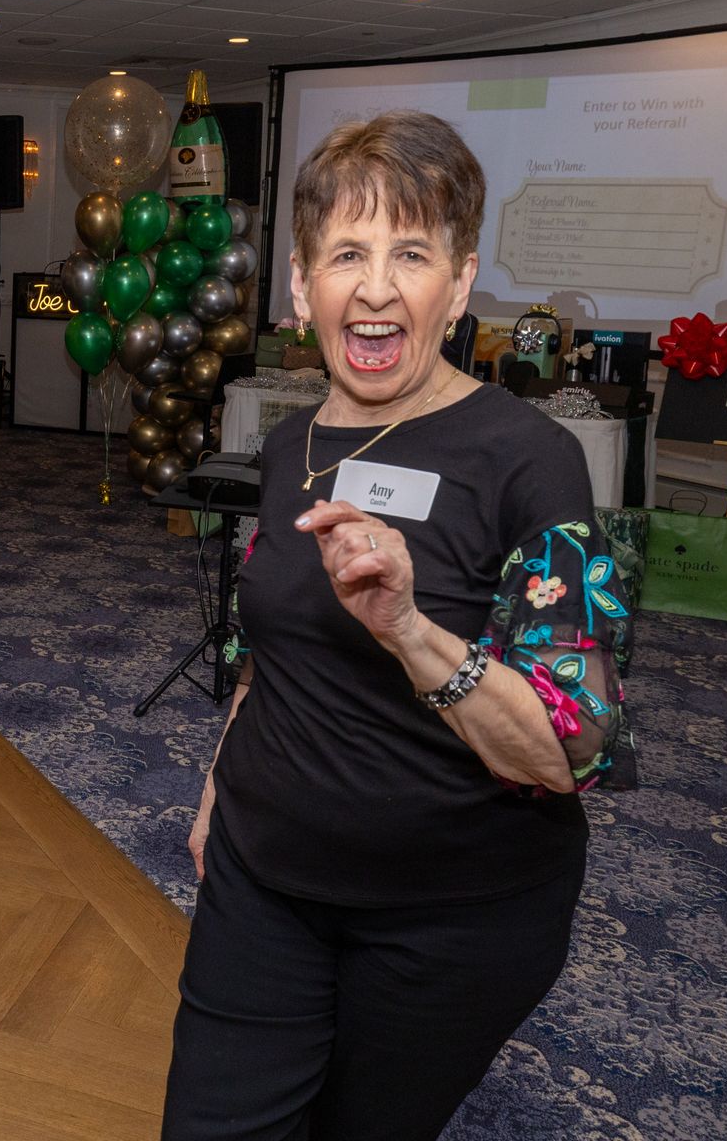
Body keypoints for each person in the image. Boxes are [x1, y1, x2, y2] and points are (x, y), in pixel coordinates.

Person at [162, 111, 630, 1141]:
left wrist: (411, 629)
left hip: (450, 920)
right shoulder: (290, 444)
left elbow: (571, 749)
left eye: (411, 254)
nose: (375, 287)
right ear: (302, 288)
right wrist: (219, 782)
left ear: (458, 287)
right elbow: (266, 647)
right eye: (347, 255)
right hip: (261, 880)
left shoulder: (530, 460)